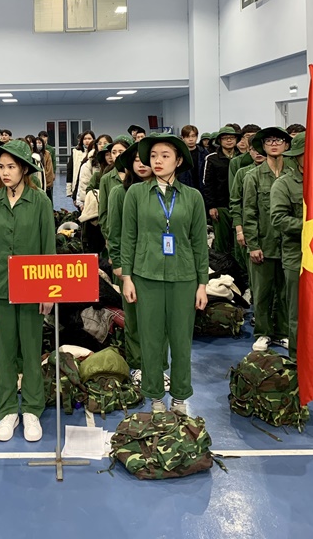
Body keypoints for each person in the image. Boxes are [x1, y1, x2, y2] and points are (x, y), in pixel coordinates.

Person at [121, 135, 208, 416]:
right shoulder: (136, 194)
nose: (157, 161)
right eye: (154, 156)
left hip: (184, 277)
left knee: (181, 341)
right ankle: (155, 396)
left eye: (165, 156)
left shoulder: (193, 197)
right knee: (150, 340)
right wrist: (127, 277)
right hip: (146, 276)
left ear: (178, 161)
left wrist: (202, 284)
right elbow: (128, 237)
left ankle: (180, 397)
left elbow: (199, 243)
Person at [0, 140, 55, 442]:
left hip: (33, 287)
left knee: (32, 351)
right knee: (5, 352)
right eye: (1, 167)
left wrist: (48, 292)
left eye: (11, 166)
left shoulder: (40, 201)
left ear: (24, 169)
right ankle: (8, 410)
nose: (5, 172)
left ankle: (32, 409)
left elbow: (48, 248)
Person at [107, 142, 169, 385]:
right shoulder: (120, 193)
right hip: (131, 266)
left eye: (146, 159)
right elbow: (114, 232)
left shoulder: (165, 192)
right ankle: (138, 365)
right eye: (136, 160)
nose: (142, 164)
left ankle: (159, 366)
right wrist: (119, 264)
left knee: (160, 319)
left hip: (162, 264)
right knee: (134, 318)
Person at [242, 127, 292, 352]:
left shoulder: (294, 175)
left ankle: (282, 332)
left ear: (286, 145)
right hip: (264, 243)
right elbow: (249, 212)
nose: (273, 144)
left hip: (289, 245)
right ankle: (263, 332)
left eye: (278, 140)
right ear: (262, 146)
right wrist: (253, 245)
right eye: (269, 141)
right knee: (262, 292)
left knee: (285, 292)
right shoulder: (253, 176)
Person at [270, 132, 304, 359]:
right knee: (298, 312)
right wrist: (312, 227)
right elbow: (279, 219)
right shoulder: (284, 184)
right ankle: (297, 360)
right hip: (298, 256)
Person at [229, 136, 265, 293]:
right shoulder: (243, 173)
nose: (258, 153)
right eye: (253, 150)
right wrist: (239, 230)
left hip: (271, 231)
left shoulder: (281, 171)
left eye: (260, 149)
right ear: (248, 151)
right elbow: (235, 202)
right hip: (249, 228)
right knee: (252, 273)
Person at [203, 126, 241, 252]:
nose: (229, 140)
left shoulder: (242, 157)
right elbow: (207, 184)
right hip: (220, 205)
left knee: (239, 242)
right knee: (222, 242)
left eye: (231, 138)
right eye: (225, 138)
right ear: (219, 141)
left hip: (239, 205)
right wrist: (211, 206)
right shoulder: (212, 158)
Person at [98, 135, 132, 239]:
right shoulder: (106, 179)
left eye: (121, 152)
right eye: (114, 152)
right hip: (115, 232)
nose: (117, 155)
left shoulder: (137, 176)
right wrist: (107, 235)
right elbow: (103, 211)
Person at [66, 130, 95, 202]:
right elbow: (70, 170)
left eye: (89, 138)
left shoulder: (96, 153)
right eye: (85, 139)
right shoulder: (75, 152)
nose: (87, 141)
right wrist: (69, 190)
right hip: (78, 186)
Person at [178, 125, 208, 192]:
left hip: (201, 189)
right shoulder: (178, 154)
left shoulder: (204, 153)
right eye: (187, 137)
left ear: (197, 137)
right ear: (183, 138)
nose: (191, 139)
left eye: (193, 136)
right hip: (184, 189)